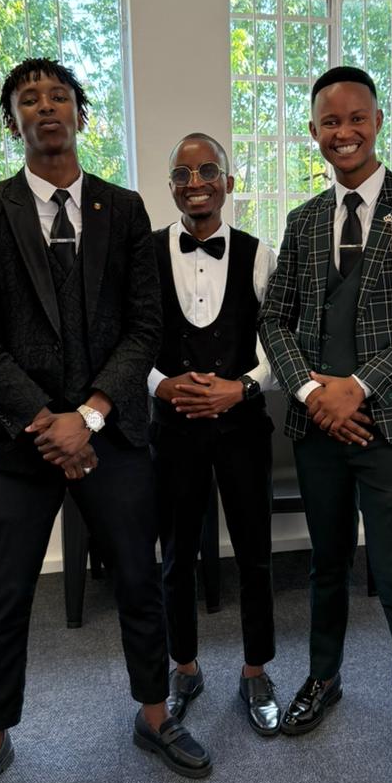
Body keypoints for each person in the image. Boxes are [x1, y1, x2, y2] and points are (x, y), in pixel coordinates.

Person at [0, 58, 211, 783]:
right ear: (13, 123)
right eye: (28, 99)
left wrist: (88, 417)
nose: (45, 107)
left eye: (58, 96)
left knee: (138, 578)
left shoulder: (122, 210)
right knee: (5, 594)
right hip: (19, 442)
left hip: (112, 435)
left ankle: (154, 714)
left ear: (79, 114)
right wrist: (48, 423)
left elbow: (145, 327)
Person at [258, 65, 392, 783]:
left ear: (377, 121)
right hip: (318, 430)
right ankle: (324, 676)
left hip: (390, 428)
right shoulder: (304, 220)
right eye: (328, 122)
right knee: (326, 563)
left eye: (355, 118)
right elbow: (274, 319)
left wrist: (360, 386)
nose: (342, 132)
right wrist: (315, 395)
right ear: (314, 131)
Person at [148, 132, 280, 736]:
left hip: (242, 428)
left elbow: (279, 344)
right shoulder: (145, 253)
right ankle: (184, 667)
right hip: (172, 431)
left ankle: (256, 671)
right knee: (176, 555)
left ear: (228, 182)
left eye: (207, 171)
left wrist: (241, 387)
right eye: (183, 174)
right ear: (171, 186)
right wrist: (160, 385)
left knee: (254, 552)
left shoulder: (259, 253)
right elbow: (130, 338)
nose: (195, 183)